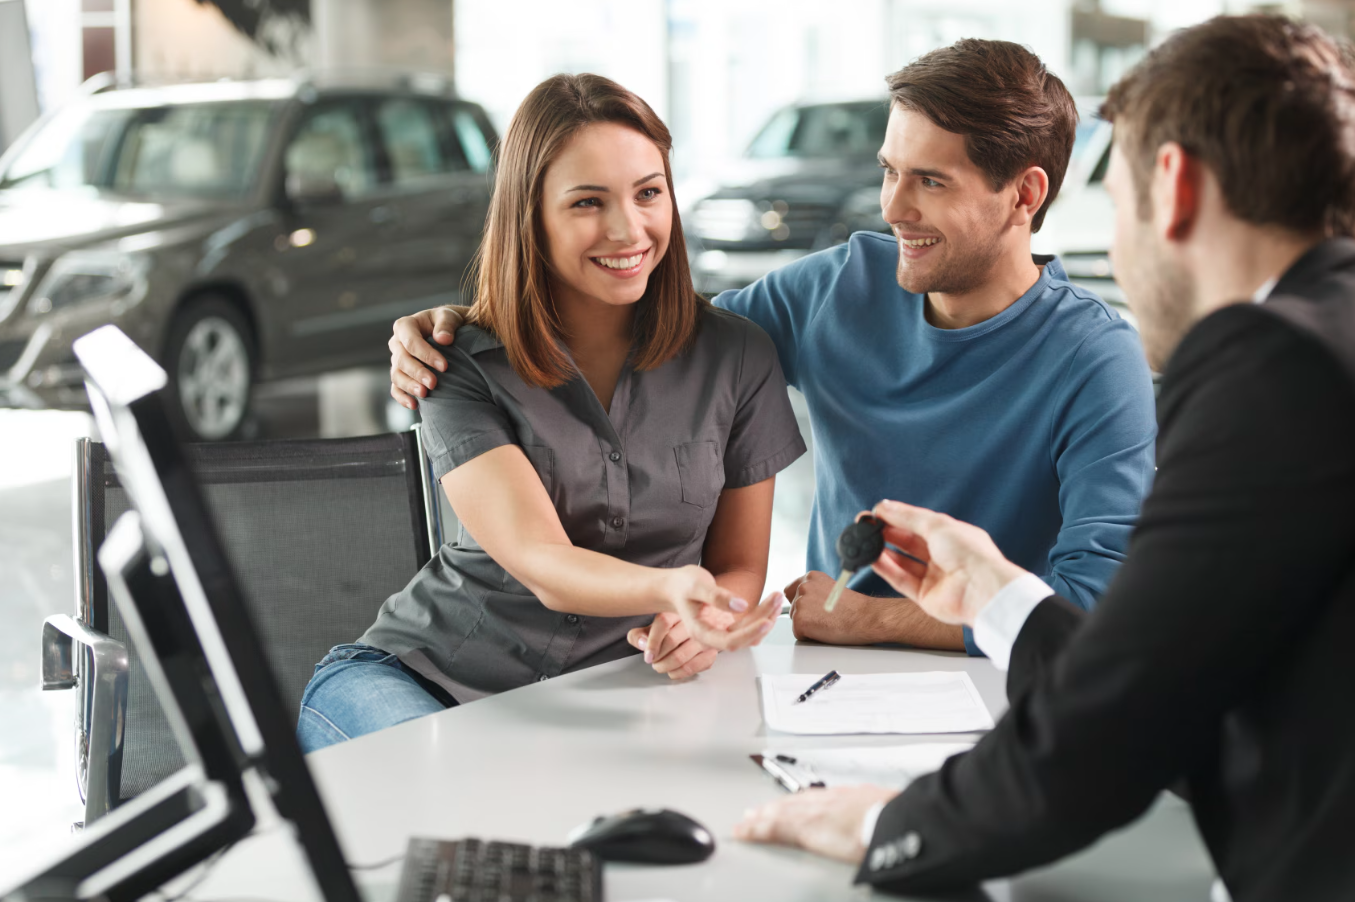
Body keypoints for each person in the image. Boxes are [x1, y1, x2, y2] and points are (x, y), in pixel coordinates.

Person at [733, 15, 1355, 901]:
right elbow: (1172, 661)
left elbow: (1115, 727)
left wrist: (879, 827)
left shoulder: (1272, 365)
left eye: (1120, 199)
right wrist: (991, 592)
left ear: (1169, 186)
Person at [386, 39, 1158, 663]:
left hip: (1001, 685)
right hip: (828, 677)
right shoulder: (832, 290)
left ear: (1023, 195)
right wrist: (465, 323)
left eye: (929, 181)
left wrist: (872, 622)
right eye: (889, 171)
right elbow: (654, 330)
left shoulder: (1096, 359)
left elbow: (1094, 605)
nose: (893, 207)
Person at [296, 74, 802, 751]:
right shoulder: (458, 362)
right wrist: (676, 586)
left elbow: (738, 565)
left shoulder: (736, 356)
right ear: (528, 215)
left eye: (648, 193)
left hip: (608, 696)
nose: (629, 228)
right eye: (588, 202)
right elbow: (541, 561)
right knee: (458, 807)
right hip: (420, 682)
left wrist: (704, 622)